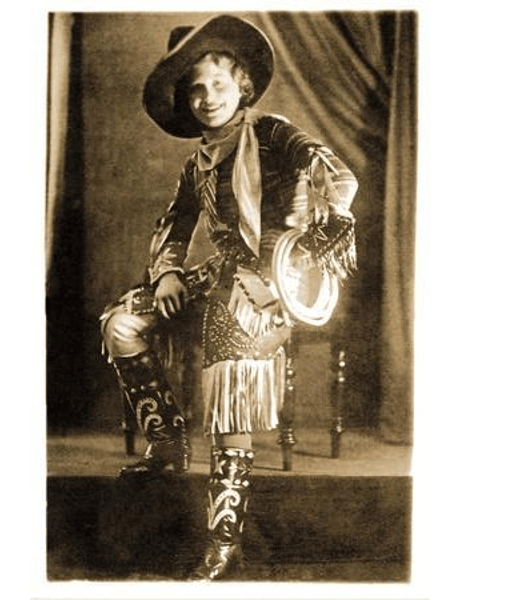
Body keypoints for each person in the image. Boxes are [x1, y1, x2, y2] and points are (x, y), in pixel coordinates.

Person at [100, 14, 358, 581]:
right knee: (122, 324)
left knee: (228, 379)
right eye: (195, 89)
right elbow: (175, 224)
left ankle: (224, 541)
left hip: (278, 284)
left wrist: (304, 251)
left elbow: (338, 179)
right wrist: (168, 273)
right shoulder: (197, 163)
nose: (207, 97)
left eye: (217, 83)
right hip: (222, 273)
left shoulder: (273, 133)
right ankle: (168, 441)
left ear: (241, 85)